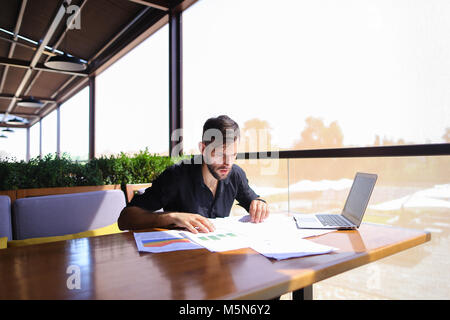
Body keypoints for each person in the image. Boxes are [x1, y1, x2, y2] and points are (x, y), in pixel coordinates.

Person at [118, 115, 269, 233]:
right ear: (203, 149)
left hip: (219, 257)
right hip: (182, 261)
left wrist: (260, 204)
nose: (228, 162)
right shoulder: (176, 176)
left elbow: (254, 201)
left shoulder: (235, 174)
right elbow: (125, 219)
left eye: (233, 154)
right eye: (221, 154)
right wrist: (171, 217)